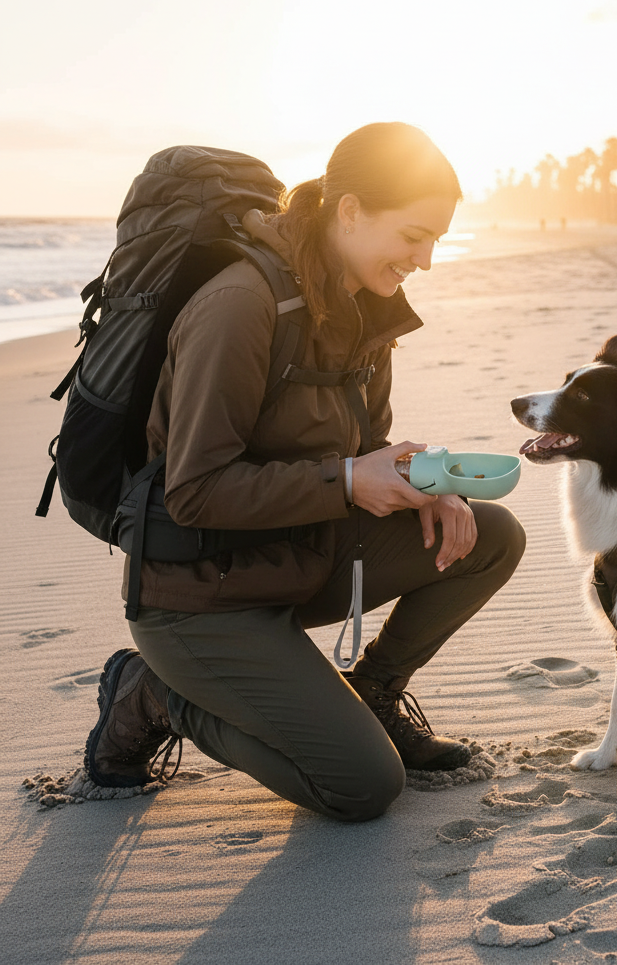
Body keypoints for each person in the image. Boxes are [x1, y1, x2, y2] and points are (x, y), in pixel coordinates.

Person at [83, 123, 527, 822]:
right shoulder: (240, 305)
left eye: (436, 239)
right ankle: (155, 695)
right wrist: (348, 481)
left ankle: (374, 692)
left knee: (489, 534)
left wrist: (427, 488)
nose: (428, 260)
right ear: (349, 211)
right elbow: (193, 491)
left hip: (297, 555)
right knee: (361, 787)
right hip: (197, 592)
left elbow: (362, 446)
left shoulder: (364, 306)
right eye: (414, 236)